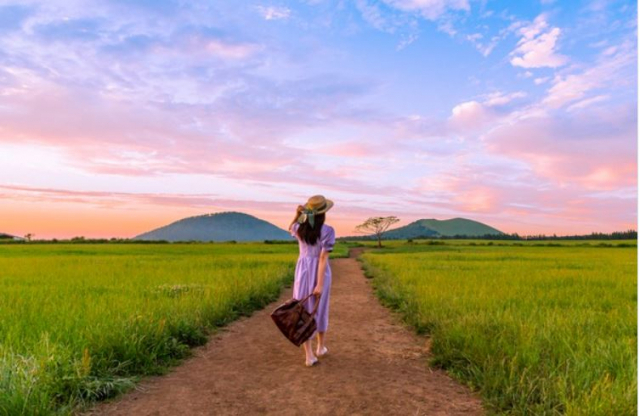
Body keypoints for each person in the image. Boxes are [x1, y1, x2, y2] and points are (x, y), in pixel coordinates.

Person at [288, 195, 336, 367]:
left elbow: (290, 227)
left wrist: (296, 214)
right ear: (323, 213)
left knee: (303, 310)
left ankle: (309, 355)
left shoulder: (298, 227)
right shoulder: (328, 230)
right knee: (320, 308)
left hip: (302, 272)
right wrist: (320, 283)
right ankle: (320, 347)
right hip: (320, 273)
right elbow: (323, 258)